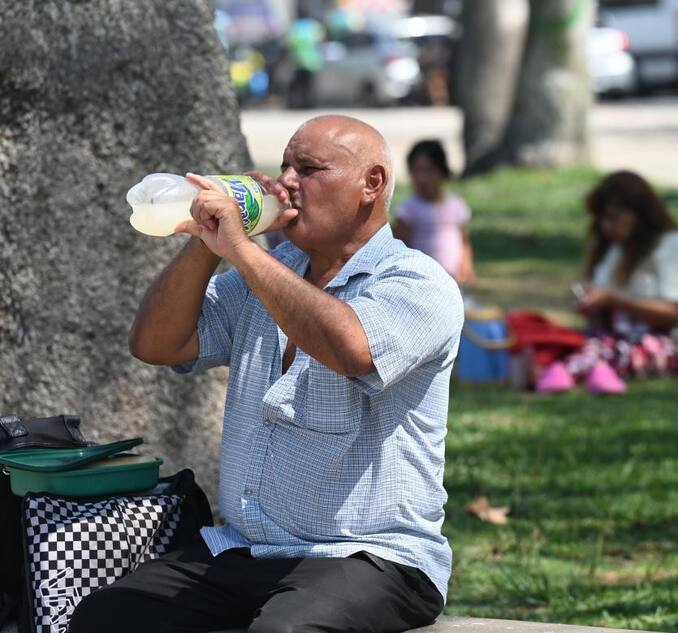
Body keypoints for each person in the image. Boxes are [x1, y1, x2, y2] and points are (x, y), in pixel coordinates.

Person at [69, 115, 463, 633]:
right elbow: (156, 344)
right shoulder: (266, 276)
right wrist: (203, 242)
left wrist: (243, 250)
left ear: (372, 184)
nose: (289, 182)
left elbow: (350, 349)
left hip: (371, 558)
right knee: (107, 617)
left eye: (310, 168)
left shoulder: (417, 283)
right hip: (246, 550)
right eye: (285, 167)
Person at [536, 171, 678, 394]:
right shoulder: (614, 248)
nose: (606, 226)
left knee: (603, 350)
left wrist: (616, 301)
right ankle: (577, 371)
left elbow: (673, 314)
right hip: (608, 338)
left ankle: (573, 373)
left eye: (613, 217)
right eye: (602, 218)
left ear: (639, 214)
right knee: (562, 341)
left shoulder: (672, 245)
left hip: (660, 345)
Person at [393, 140, 475, 285]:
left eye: (429, 171)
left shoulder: (456, 206)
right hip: (422, 282)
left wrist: (466, 268)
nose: (422, 178)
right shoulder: (408, 210)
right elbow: (400, 248)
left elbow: (464, 242)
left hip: (453, 280)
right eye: (416, 171)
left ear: (443, 171)